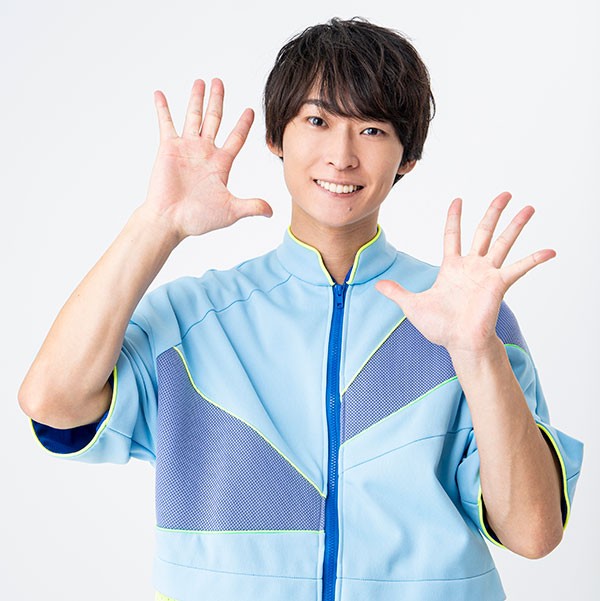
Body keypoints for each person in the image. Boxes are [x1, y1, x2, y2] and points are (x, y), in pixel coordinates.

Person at [19, 17, 583, 601]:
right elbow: (52, 401)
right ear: (276, 137)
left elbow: (533, 533)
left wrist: (477, 352)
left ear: (407, 158)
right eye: (317, 121)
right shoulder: (193, 318)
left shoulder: (463, 317)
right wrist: (157, 224)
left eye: (372, 129)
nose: (342, 156)